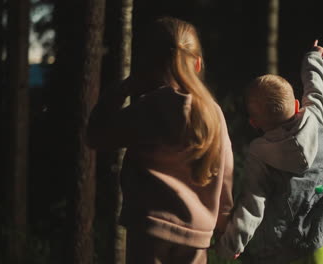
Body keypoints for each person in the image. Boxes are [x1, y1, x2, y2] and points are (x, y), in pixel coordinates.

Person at [87, 16, 234, 264]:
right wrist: (223, 223)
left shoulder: (150, 107)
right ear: (197, 64)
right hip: (197, 234)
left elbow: (96, 136)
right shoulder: (213, 112)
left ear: (149, 65)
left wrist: (122, 89)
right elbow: (226, 173)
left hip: (149, 229)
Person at [214, 41, 323, 264]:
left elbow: (252, 204)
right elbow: (317, 89)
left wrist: (231, 245)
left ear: (254, 122)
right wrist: (313, 59)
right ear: (297, 105)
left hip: (286, 248)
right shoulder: (315, 118)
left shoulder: (260, 154)